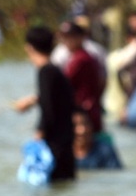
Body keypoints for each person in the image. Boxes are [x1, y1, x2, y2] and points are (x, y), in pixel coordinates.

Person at [16, 27, 75, 183]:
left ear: (29, 48)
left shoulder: (45, 72)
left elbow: (49, 109)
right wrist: (34, 100)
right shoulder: (55, 70)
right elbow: (57, 99)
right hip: (66, 142)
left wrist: (39, 134)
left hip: (55, 146)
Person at [58, 20, 106, 133]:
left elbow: (60, 85)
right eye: (64, 37)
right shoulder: (84, 57)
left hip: (85, 117)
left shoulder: (80, 59)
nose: (66, 41)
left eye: (70, 37)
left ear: (81, 37)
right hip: (90, 113)